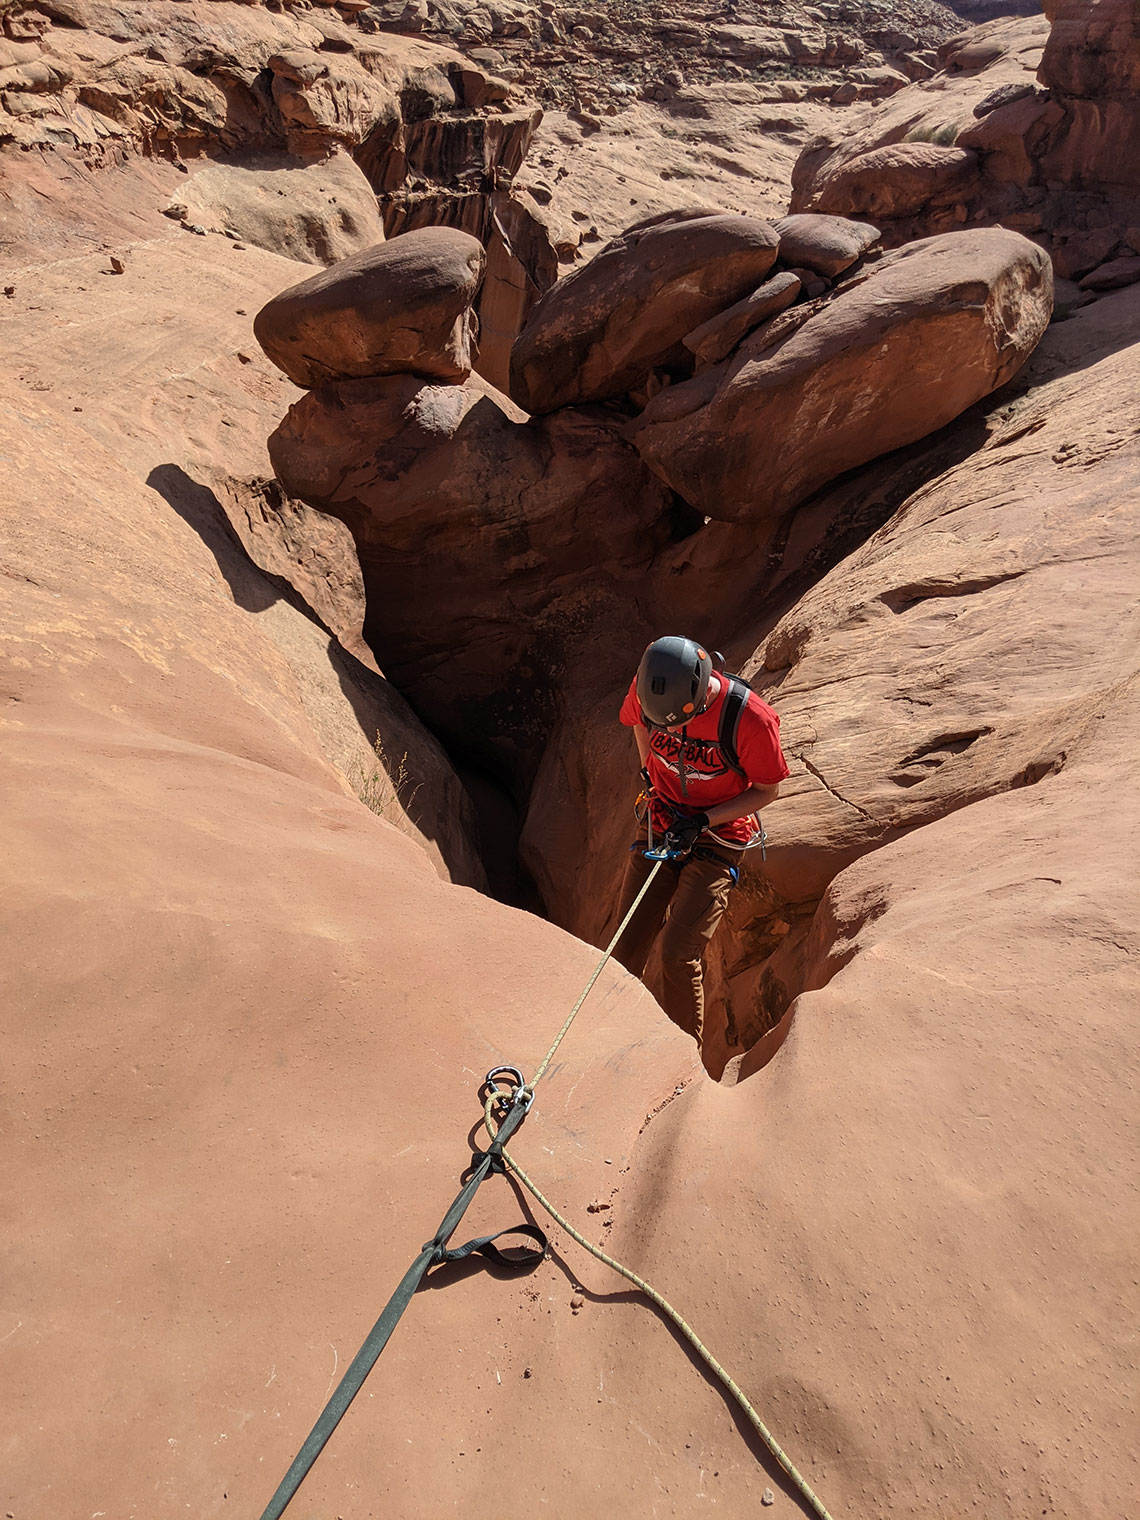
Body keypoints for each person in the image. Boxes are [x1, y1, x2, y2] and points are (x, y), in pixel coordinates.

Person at [612, 634, 789, 1048]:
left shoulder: (750, 720)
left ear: (699, 695)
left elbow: (766, 790)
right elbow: (638, 721)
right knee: (625, 943)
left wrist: (704, 820)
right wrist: (648, 774)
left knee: (677, 952)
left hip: (720, 833)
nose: (669, 731)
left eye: (675, 723)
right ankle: (611, 1034)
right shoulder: (650, 689)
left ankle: (682, 1059)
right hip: (664, 817)